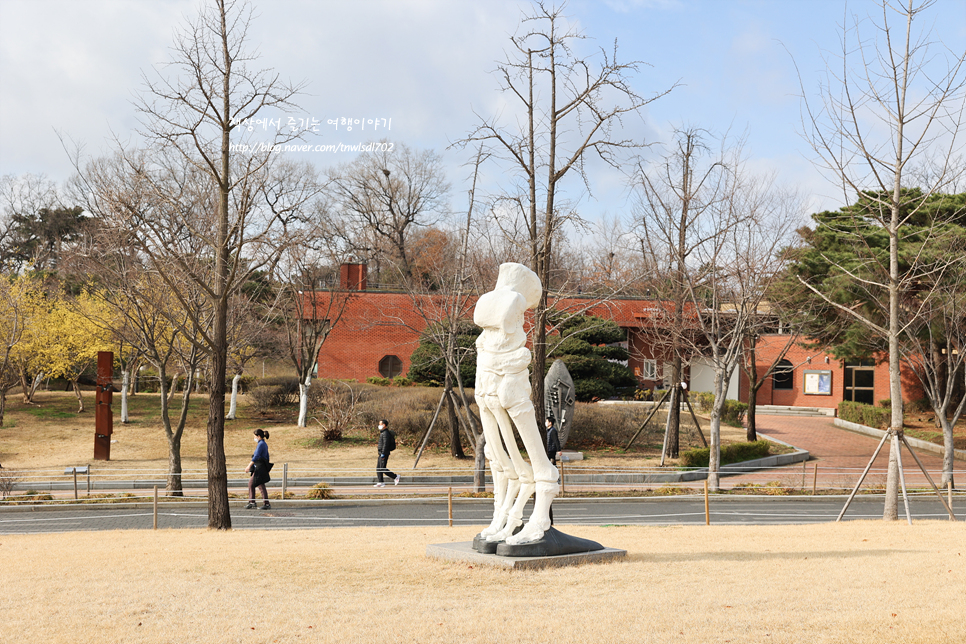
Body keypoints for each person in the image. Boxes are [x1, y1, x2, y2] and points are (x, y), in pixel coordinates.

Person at [245, 429, 272, 509]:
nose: (254, 438)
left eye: (254, 436)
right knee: (258, 484)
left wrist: (249, 466)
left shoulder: (261, 444)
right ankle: (256, 502)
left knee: (253, 484)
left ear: (259, 436)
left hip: (260, 467)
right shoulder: (262, 444)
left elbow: (256, 456)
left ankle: (256, 502)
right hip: (260, 467)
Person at [374, 419, 400, 488]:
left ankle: (395, 476)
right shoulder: (383, 432)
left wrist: (383, 453)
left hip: (384, 453)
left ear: (384, 425)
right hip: (381, 453)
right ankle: (381, 482)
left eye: (380, 424)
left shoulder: (385, 433)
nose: (379, 426)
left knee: (382, 468)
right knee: (378, 468)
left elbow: (385, 444)